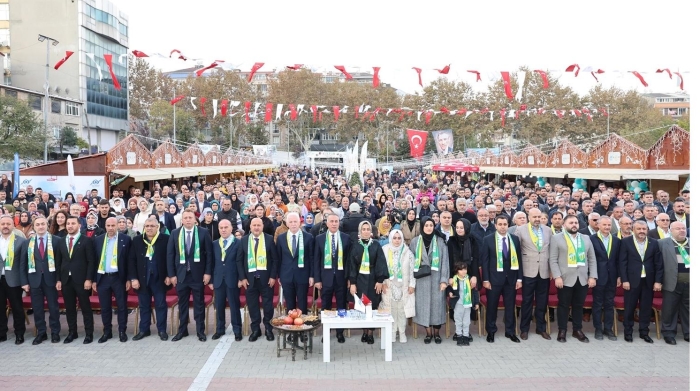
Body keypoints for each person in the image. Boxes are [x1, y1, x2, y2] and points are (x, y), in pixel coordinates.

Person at [167, 210, 214, 342]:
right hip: (181, 276)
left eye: (190, 218)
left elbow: (209, 255)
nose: (188, 220)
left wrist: (207, 273)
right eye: (185, 218)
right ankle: (182, 330)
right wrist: (171, 275)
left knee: (199, 304)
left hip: (198, 275)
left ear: (195, 220)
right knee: (182, 304)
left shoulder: (203, 232)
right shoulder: (175, 233)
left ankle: (200, 331)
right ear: (181, 220)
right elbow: (170, 255)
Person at [549, 215, 597, 343]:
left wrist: (592, 276)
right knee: (563, 305)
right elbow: (553, 260)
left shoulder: (586, 238)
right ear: (564, 225)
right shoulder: (556, 238)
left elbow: (592, 259)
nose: (574, 224)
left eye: (576, 222)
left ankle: (577, 330)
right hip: (564, 279)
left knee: (578, 305)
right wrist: (557, 276)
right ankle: (562, 330)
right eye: (571, 222)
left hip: (582, 278)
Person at [619, 220, 663, 343]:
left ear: (647, 230)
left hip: (648, 281)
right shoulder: (625, 242)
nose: (642, 231)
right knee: (629, 307)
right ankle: (628, 332)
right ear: (633, 229)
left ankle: (644, 332)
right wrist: (625, 280)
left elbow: (658, 264)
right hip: (631, 281)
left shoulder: (654, 243)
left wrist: (658, 281)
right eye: (639, 229)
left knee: (646, 308)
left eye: (644, 229)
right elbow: (622, 263)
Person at [481, 215, 523, 343]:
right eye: (500, 224)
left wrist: (519, 279)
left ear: (508, 225)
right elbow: (485, 261)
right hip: (494, 280)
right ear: (496, 225)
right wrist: (486, 280)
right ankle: (491, 331)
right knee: (492, 306)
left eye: (505, 224)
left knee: (510, 307)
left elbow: (519, 260)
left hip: (511, 279)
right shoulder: (488, 239)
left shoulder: (515, 239)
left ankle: (510, 332)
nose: (503, 227)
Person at [20, 217, 62, 344]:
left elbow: (60, 263)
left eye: (43, 224)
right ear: (34, 227)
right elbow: (23, 264)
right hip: (34, 280)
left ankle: (55, 332)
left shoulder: (57, 241)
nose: (41, 226)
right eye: (37, 224)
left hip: (51, 280)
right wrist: (24, 282)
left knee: (53, 308)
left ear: (47, 225)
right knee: (37, 308)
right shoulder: (27, 243)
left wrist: (59, 279)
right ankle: (41, 333)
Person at [128, 217, 170, 341]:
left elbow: (170, 259)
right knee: (144, 305)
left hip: (160, 279)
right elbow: (131, 261)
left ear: (158, 227)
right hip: (142, 279)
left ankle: (162, 330)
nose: (149, 228)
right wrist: (133, 278)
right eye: (147, 226)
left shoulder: (165, 240)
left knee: (161, 305)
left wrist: (169, 275)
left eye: (152, 226)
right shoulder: (137, 240)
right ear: (144, 228)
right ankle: (144, 330)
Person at [56, 215, 96, 344]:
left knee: (85, 307)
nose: (70, 226)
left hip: (82, 280)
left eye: (73, 223)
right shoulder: (61, 241)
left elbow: (91, 261)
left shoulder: (86, 240)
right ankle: (72, 332)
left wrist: (89, 279)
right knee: (70, 308)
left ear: (79, 225)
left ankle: (89, 333)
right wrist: (59, 280)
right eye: (68, 224)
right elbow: (58, 262)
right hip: (66, 280)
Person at [348, 221, 389, 344]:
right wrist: (353, 283)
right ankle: (364, 331)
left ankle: (370, 332)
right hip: (360, 280)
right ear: (360, 232)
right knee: (362, 306)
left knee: (372, 305)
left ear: (371, 231)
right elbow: (351, 265)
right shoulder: (355, 245)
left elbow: (381, 263)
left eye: (367, 229)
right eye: (363, 229)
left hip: (372, 279)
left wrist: (380, 281)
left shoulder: (376, 245)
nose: (365, 231)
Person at [312, 211, 351, 343]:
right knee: (326, 306)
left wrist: (349, 278)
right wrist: (317, 280)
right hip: (325, 279)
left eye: (336, 221)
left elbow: (348, 261)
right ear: (327, 223)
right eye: (331, 221)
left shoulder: (346, 238)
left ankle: (340, 332)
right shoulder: (319, 239)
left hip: (341, 278)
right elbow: (316, 261)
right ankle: (326, 332)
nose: (334, 224)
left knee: (341, 305)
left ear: (339, 223)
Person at [237, 217, 278, 342]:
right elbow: (239, 260)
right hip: (250, 280)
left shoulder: (269, 239)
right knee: (253, 305)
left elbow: (275, 260)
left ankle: (268, 328)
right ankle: (256, 329)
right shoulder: (244, 241)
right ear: (250, 227)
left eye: (258, 225)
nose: (256, 227)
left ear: (262, 226)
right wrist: (242, 278)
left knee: (268, 305)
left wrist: (272, 276)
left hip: (266, 279)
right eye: (254, 225)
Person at [514, 208, 552, 340]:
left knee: (542, 301)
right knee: (527, 301)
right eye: (534, 216)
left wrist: (551, 269)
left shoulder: (547, 230)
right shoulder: (521, 230)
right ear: (528, 217)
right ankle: (524, 329)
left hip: (544, 271)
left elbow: (551, 251)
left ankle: (541, 328)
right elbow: (516, 250)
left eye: (539, 216)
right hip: (528, 270)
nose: (537, 219)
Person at [410, 217, 449, 344]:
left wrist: (444, 280)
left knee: (437, 307)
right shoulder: (415, 242)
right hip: (422, 281)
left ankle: (436, 333)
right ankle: (428, 333)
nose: (428, 228)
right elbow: (411, 264)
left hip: (437, 279)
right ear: (422, 226)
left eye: (431, 225)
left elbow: (445, 262)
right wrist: (412, 282)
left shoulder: (440, 241)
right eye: (426, 225)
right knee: (424, 307)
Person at [92, 217, 131, 343]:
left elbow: (129, 261)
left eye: (113, 225)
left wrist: (129, 279)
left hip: (119, 278)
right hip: (103, 278)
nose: (110, 228)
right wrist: (94, 280)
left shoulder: (125, 239)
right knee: (105, 307)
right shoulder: (98, 240)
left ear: (118, 225)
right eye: (108, 225)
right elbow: (94, 261)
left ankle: (122, 331)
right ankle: (107, 332)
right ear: (105, 226)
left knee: (122, 306)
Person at [379, 229, 416, 344]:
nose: (397, 240)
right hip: (389, 286)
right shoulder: (384, 250)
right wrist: (382, 283)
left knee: (402, 311)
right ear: (390, 238)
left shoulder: (407, 252)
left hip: (403, 286)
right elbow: (380, 269)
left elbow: (412, 270)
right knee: (391, 310)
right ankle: (392, 333)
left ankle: (402, 332)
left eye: (399, 238)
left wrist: (412, 284)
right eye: (394, 238)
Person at [209, 219, 243, 341]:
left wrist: (241, 278)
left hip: (232, 279)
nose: (223, 230)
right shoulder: (214, 244)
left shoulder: (238, 243)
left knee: (234, 306)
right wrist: (211, 281)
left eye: (226, 227)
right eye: (221, 228)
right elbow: (211, 263)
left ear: (231, 228)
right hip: (218, 279)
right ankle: (220, 329)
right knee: (219, 306)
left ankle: (237, 330)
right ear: (218, 229)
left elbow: (241, 263)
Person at [589, 216, 621, 341]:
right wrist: (591, 276)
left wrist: (619, 276)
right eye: (604, 225)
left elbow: (619, 260)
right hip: (598, 277)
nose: (607, 227)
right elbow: (589, 259)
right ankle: (598, 328)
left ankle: (608, 328)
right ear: (598, 225)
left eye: (609, 225)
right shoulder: (591, 239)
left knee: (609, 304)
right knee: (597, 304)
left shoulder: (616, 240)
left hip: (612, 277)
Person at [276, 212, 314, 318]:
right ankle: (291, 331)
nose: (293, 224)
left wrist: (311, 275)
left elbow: (311, 258)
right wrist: (279, 275)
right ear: (287, 223)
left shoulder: (308, 237)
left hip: (303, 275)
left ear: (300, 223)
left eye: (295, 222)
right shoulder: (281, 238)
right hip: (286, 275)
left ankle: (303, 330)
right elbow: (278, 258)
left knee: (302, 304)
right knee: (290, 305)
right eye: (291, 222)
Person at [658, 221, 689, 344]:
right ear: (670, 230)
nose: (682, 230)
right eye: (678, 228)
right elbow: (658, 265)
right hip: (671, 283)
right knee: (669, 309)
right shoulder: (662, 243)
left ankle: (689, 333)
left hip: (690, 284)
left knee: (689, 309)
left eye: (683, 228)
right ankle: (669, 333)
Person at [0, 215, 28, 344]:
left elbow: (23, 264)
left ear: (13, 225)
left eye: (8, 224)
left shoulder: (20, 241)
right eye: (3, 224)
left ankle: (19, 333)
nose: (5, 226)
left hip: (14, 280)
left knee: (17, 307)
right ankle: (2, 333)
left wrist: (24, 282)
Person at [446, 262, 478, 346]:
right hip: (458, 304)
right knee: (458, 320)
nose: (464, 271)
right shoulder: (454, 280)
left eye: (465, 269)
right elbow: (449, 289)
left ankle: (466, 336)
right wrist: (450, 293)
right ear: (457, 271)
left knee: (466, 321)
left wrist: (476, 303)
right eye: (461, 269)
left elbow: (474, 291)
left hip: (467, 304)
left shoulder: (469, 279)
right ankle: (459, 336)